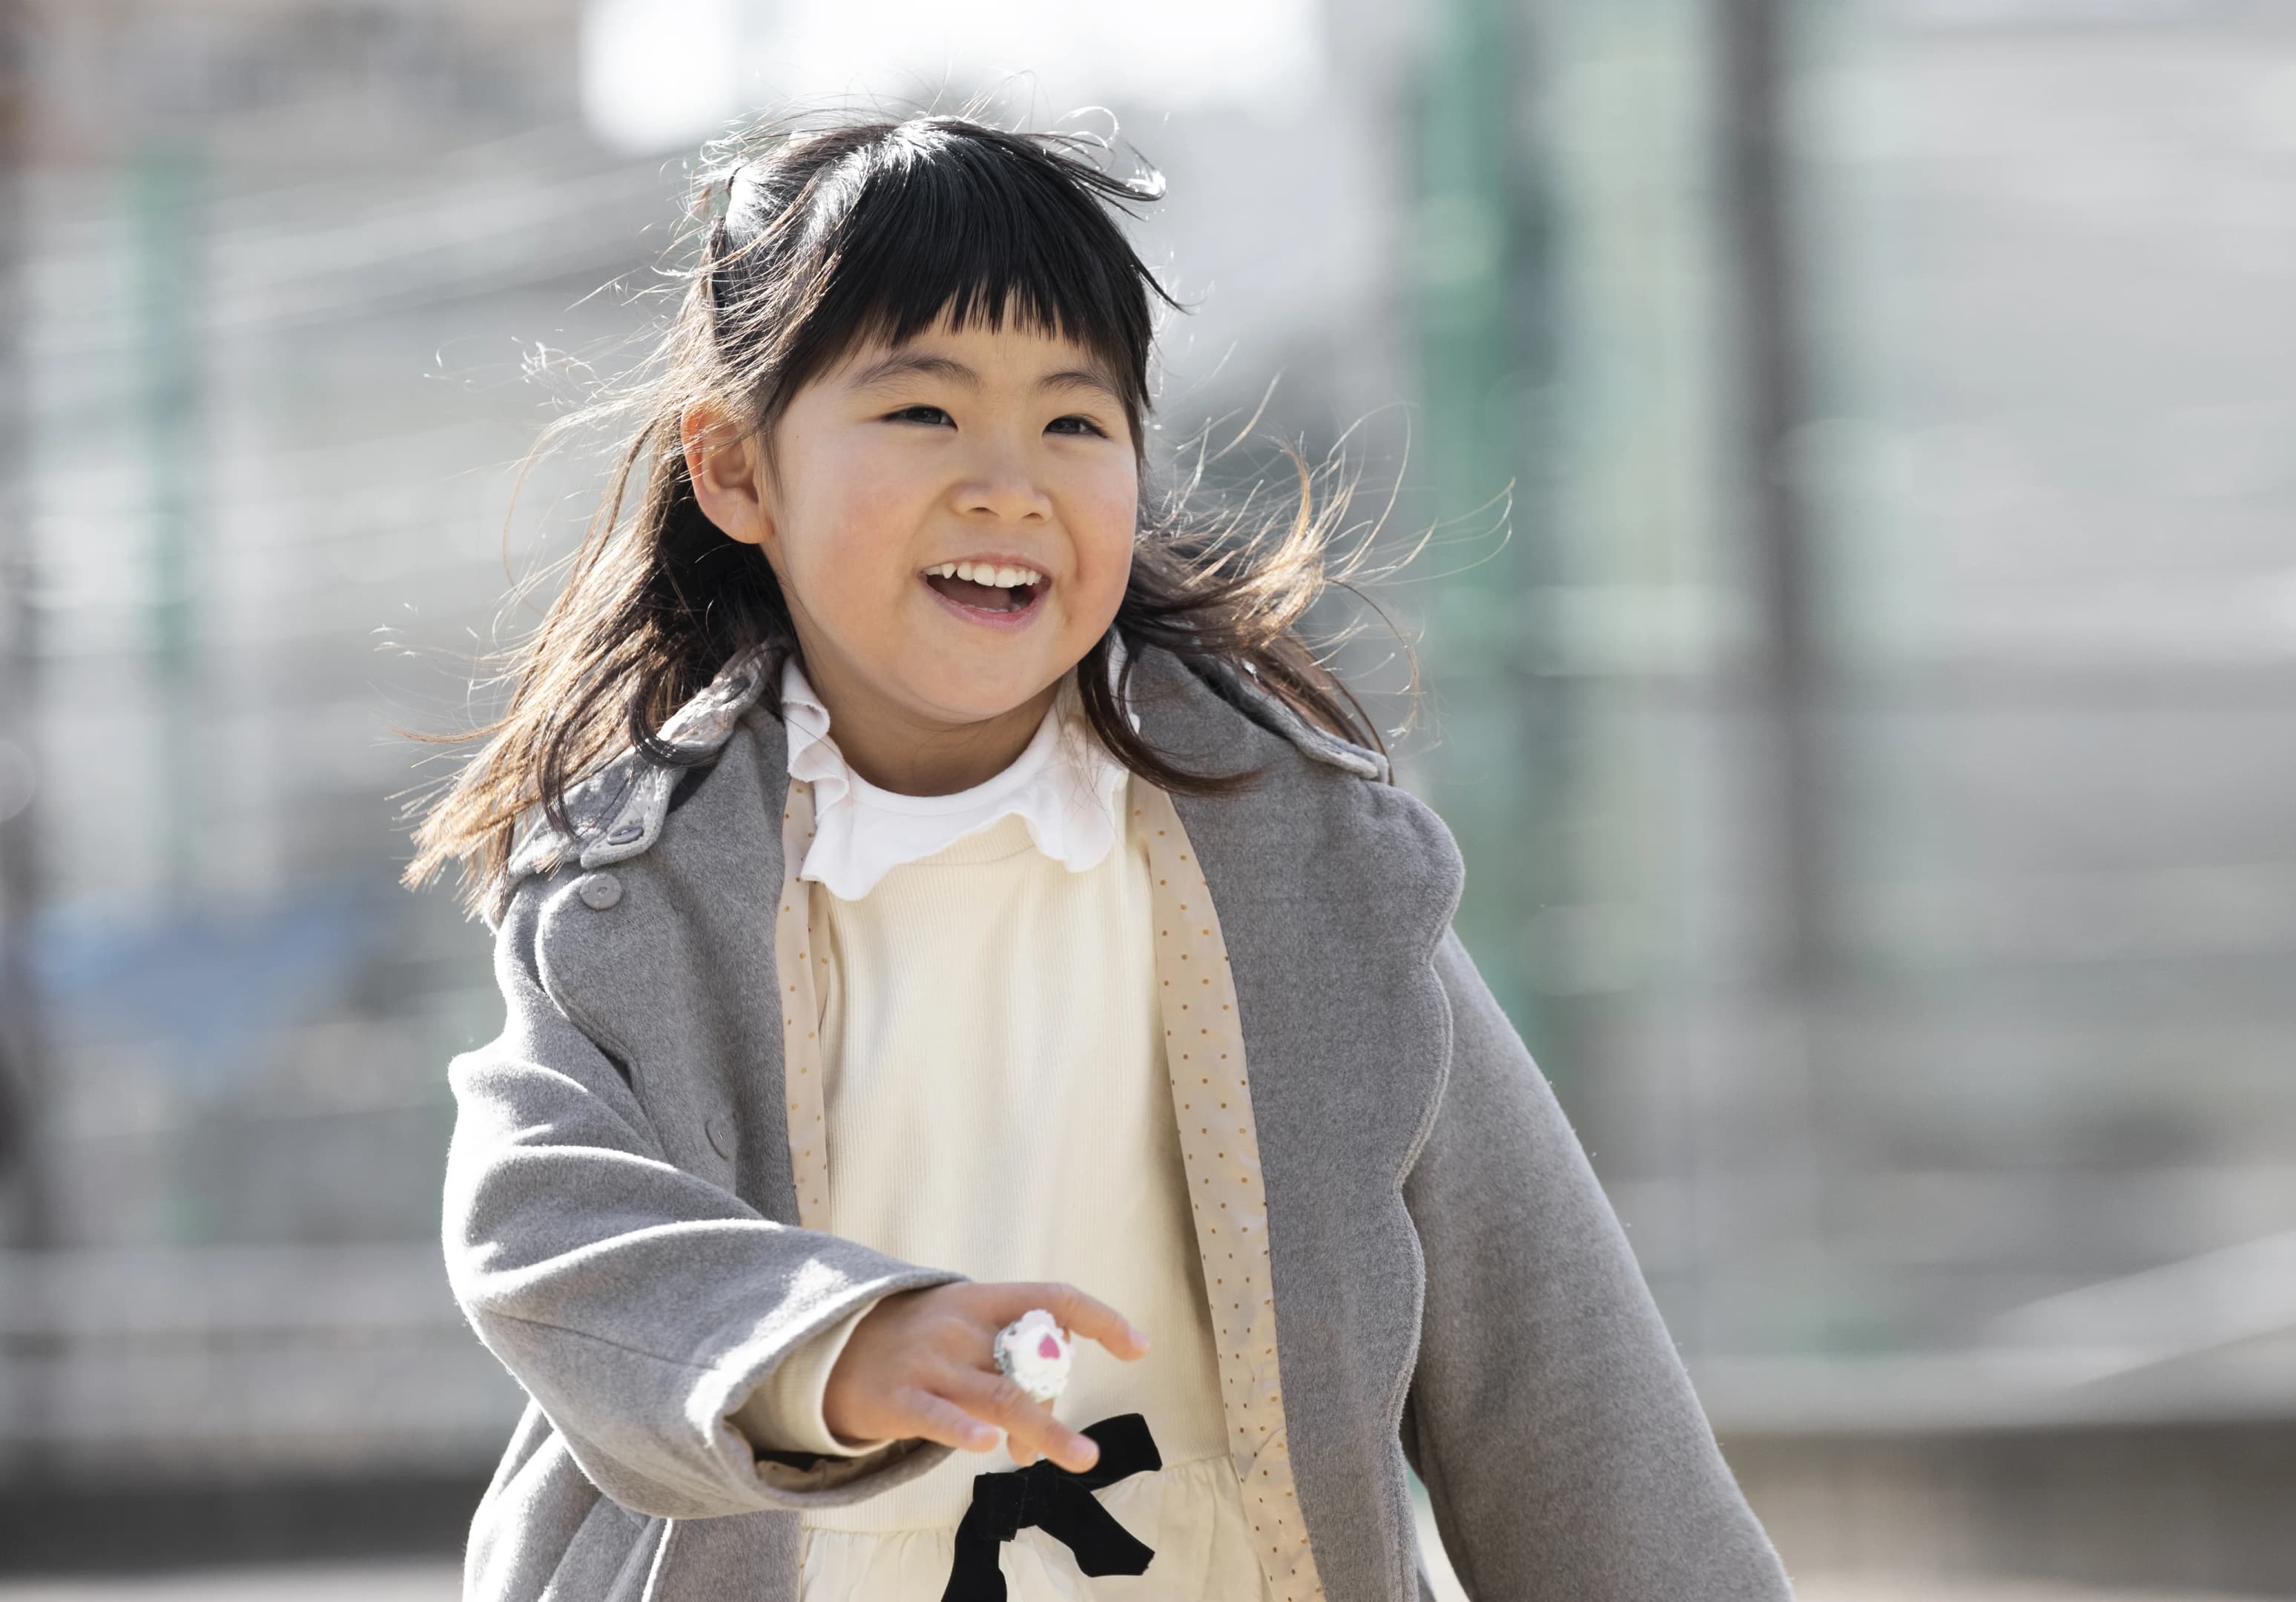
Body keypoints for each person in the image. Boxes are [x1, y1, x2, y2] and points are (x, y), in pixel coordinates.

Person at [410, 113, 1792, 1602]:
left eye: (1076, 421)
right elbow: (541, 1217)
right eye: (924, 414)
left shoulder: (1306, 867)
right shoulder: (639, 888)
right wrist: (831, 1344)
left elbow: (1555, 1362)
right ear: (738, 471)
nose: (1010, 483)